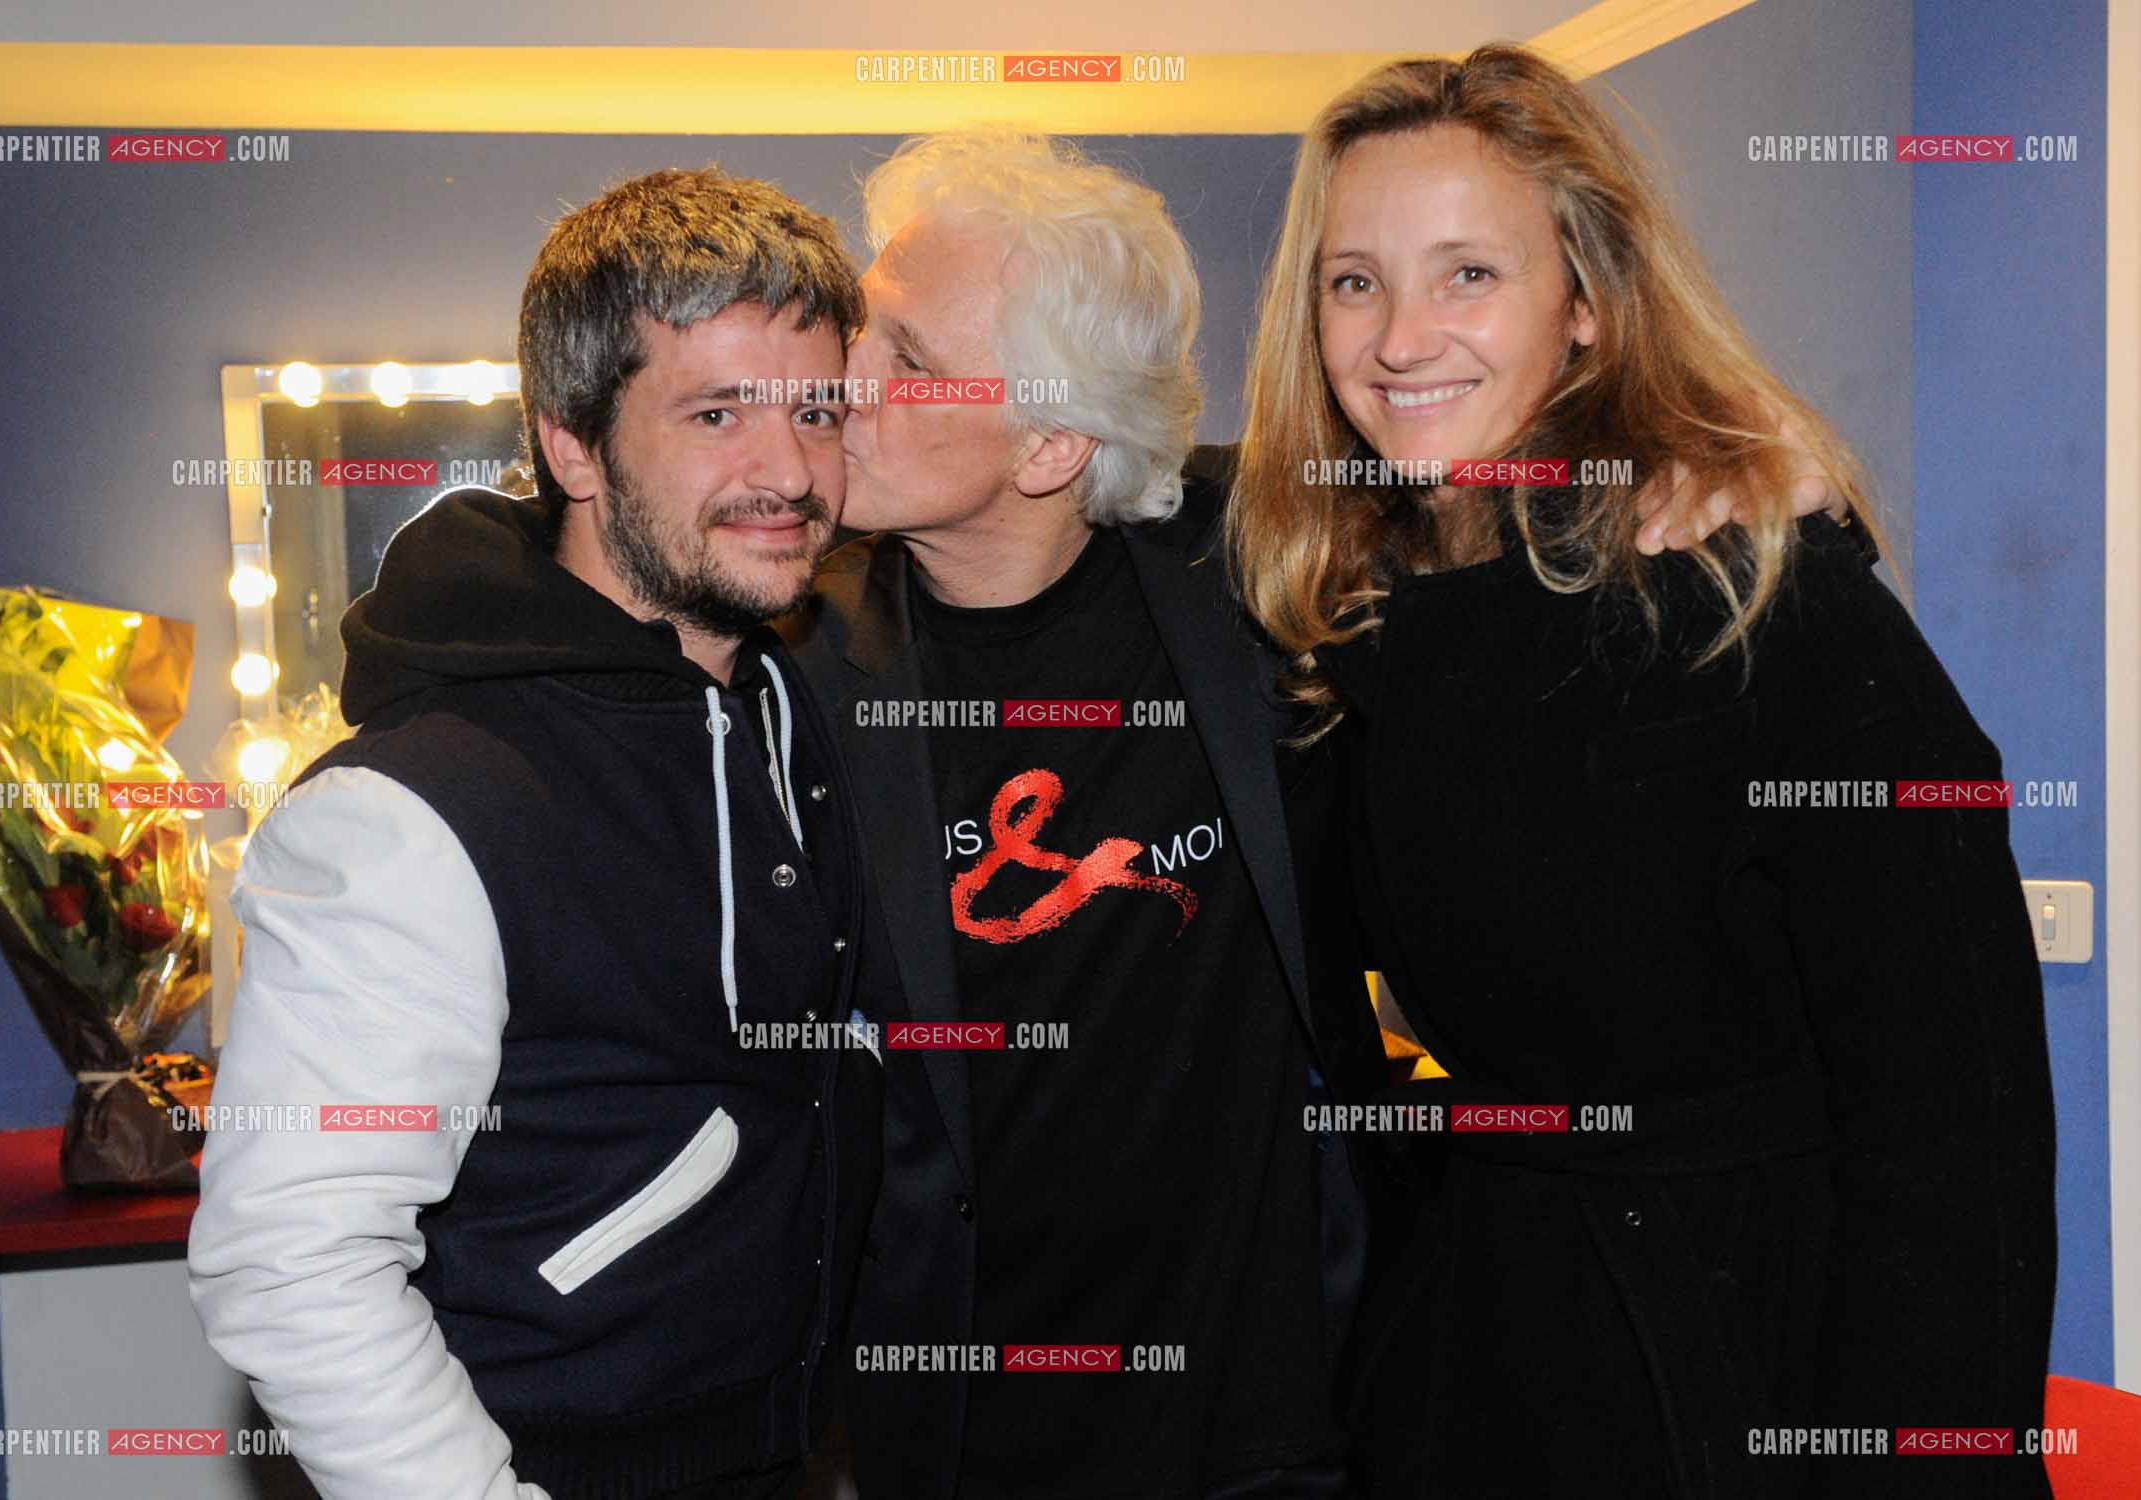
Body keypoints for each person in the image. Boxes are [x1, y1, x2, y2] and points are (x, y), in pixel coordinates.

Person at [776, 130, 1843, 1499]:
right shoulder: (795, 663)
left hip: (1286, 1426)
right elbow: (592, 565)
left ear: (1052, 438)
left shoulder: (1271, 581)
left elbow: (1528, 517)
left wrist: (1734, 475)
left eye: (913, 358)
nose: (845, 380)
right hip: (957, 1427)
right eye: (864, 326)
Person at [1226, 45, 2057, 1499]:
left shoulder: (1760, 595)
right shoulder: (1359, 618)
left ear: (1591, 307)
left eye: (1467, 274)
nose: (1400, 338)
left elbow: (1958, 1124)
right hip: (1472, 1380)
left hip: (1755, 1390)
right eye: (1354, 281)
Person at [188, 168, 893, 1500]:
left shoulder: (792, 718)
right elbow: (290, 1262)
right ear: (571, 444)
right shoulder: (409, 811)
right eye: (716, 411)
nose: (790, 469)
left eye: (816, 409)